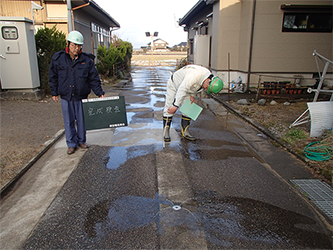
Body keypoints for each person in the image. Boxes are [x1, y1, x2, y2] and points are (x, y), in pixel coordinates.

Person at [49, 30, 105, 155]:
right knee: (68, 121)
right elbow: (53, 76)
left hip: (81, 96)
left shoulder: (86, 60)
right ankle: (71, 144)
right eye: (73, 45)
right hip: (66, 96)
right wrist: (54, 92)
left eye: (78, 46)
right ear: (68, 44)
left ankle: (81, 141)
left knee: (81, 120)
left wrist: (99, 92)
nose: (76, 48)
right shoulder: (59, 59)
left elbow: (93, 78)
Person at [163, 64, 223, 142]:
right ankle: (166, 132)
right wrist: (175, 106)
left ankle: (185, 132)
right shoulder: (194, 75)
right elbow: (182, 89)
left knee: (188, 108)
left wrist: (191, 95)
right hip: (175, 84)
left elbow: (195, 86)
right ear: (208, 81)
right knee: (169, 107)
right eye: (206, 87)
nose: (205, 89)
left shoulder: (206, 77)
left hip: (186, 88)